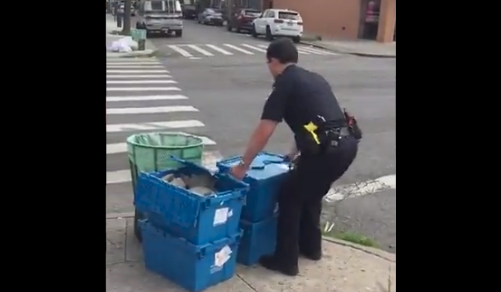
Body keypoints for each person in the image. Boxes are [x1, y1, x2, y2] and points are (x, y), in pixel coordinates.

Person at [229, 38, 359, 276]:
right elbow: (313, 121)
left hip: (328, 152)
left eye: (268, 63)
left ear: (274, 61)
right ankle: (311, 248)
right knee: (310, 193)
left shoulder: (284, 83)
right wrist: (293, 153)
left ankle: (285, 260)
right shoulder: (314, 78)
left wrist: (242, 165)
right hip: (346, 146)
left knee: (289, 195)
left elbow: (265, 129)